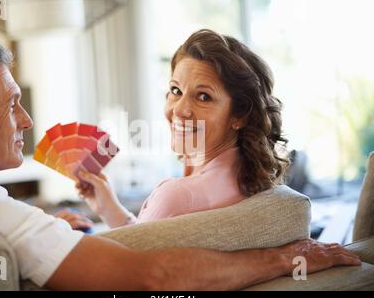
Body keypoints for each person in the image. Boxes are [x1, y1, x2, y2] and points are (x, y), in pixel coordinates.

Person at [0, 38, 360, 290]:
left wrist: (59, 224)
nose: (28, 120)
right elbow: (152, 271)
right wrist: (286, 259)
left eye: (203, 96)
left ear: (240, 112)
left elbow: (144, 242)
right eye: (13, 104)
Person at [76, 29, 288, 227]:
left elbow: (129, 262)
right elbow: (145, 246)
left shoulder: (177, 196)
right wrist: (108, 208)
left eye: (203, 96)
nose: (179, 110)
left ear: (239, 115)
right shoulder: (248, 181)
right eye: (176, 90)